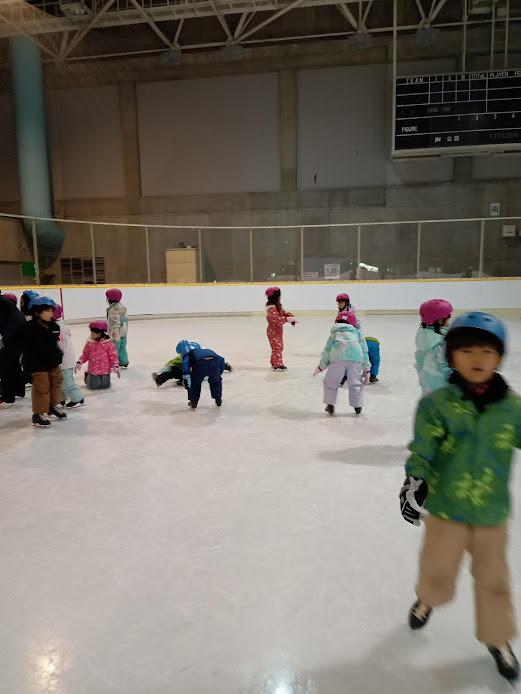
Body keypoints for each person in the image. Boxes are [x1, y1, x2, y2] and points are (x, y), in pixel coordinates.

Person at [400, 312, 521, 682]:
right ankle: (428, 599)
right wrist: (415, 480)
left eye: (487, 351)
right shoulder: (436, 405)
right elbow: (422, 450)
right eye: (466, 350)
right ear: (451, 356)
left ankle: (498, 638)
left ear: (499, 357)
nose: (477, 358)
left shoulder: (513, 409)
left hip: (491, 512)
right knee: (437, 569)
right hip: (446, 509)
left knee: (495, 581)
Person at [19, 296, 66, 427]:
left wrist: (58, 356)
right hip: (37, 364)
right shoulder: (29, 328)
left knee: (56, 383)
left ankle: (52, 406)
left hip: (52, 362)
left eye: (51, 311)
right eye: (47, 311)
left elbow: (55, 344)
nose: (51, 314)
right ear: (37, 312)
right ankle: (38, 414)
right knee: (42, 387)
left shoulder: (53, 326)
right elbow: (27, 347)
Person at [314, 310, 370, 416]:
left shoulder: (334, 335)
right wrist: (367, 368)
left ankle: (330, 404)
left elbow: (327, 351)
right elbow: (364, 350)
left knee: (330, 381)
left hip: (337, 358)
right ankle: (357, 406)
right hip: (355, 358)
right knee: (355, 382)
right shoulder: (358, 334)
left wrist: (322, 366)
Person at [415, 299, 453, 396]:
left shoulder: (423, 335)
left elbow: (419, 358)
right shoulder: (440, 341)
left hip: (426, 381)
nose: (448, 323)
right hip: (440, 383)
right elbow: (443, 362)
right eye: (447, 320)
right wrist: (452, 375)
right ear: (439, 320)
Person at [177, 339, 226, 409]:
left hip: (200, 364)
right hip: (215, 362)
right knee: (215, 381)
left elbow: (185, 364)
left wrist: (186, 375)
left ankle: (193, 402)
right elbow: (222, 359)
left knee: (195, 383)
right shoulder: (206, 351)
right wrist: (219, 373)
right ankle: (218, 399)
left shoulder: (189, 354)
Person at [53, 304, 85, 408]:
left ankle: (78, 398)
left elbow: (59, 345)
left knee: (67, 382)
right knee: (58, 381)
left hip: (64, 362)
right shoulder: (59, 326)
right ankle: (61, 398)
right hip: (61, 361)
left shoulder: (58, 329)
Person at [152, 349, 233, 388]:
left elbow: (213, 362)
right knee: (172, 371)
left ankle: (182, 381)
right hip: (185, 372)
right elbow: (172, 363)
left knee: (174, 372)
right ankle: (160, 379)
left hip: (192, 373)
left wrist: (225, 366)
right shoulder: (183, 357)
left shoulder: (194, 357)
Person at [75, 320, 120, 390]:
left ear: (101, 332)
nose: (92, 334)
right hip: (94, 370)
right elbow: (86, 354)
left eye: (94, 332)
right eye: (91, 332)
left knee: (105, 385)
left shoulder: (108, 344)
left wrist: (115, 365)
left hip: (105, 370)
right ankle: (87, 377)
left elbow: (113, 356)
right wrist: (80, 362)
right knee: (94, 386)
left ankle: (97, 380)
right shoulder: (90, 343)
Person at [0, 293, 26, 406]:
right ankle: (18, 390)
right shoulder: (3, 300)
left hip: (13, 335)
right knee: (12, 362)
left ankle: (7, 396)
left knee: (5, 364)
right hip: (17, 334)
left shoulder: (2, 302)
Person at [265, 287, 297, 371]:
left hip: (277, 331)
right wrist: (287, 319)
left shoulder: (277, 306)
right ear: (276, 297)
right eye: (279, 295)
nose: (280, 297)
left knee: (279, 347)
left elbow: (282, 312)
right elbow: (274, 319)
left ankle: (274, 361)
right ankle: (278, 364)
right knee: (277, 347)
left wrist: (287, 315)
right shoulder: (272, 308)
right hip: (273, 331)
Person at [106, 288, 129, 368]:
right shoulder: (121, 307)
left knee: (114, 348)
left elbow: (115, 322)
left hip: (116, 333)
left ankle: (114, 362)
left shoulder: (113, 309)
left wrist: (115, 333)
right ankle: (124, 361)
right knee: (122, 347)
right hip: (124, 332)